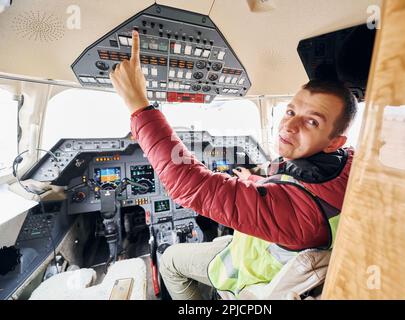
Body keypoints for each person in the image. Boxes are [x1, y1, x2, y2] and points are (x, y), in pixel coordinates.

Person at [110, 31, 357, 299]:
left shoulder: (299, 213)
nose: (290, 125)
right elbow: (293, 189)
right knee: (217, 239)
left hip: (247, 271)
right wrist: (254, 181)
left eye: (312, 121)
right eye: (290, 111)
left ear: (335, 142)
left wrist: (138, 104)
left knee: (170, 259)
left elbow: (190, 185)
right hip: (259, 246)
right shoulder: (348, 165)